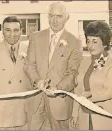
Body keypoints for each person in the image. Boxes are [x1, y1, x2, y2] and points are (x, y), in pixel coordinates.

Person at [25, 2, 83, 130]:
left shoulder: (75, 42)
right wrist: (37, 80)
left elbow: (73, 72)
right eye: (51, 16)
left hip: (59, 103)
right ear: (47, 16)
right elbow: (29, 64)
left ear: (67, 17)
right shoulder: (35, 37)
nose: (55, 20)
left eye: (59, 16)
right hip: (35, 101)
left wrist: (58, 88)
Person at [70, 21, 112, 130]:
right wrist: (75, 113)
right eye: (88, 41)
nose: (90, 45)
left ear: (104, 43)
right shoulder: (83, 62)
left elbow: (111, 90)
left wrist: (89, 95)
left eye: (94, 41)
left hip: (106, 117)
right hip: (85, 117)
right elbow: (77, 90)